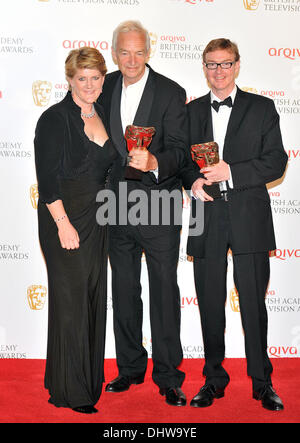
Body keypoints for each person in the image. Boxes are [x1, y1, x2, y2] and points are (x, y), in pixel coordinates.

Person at [181, 38, 287, 411]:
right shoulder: (190, 112)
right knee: (210, 304)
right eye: (211, 64)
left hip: (249, 219)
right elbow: (180, 161)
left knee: (254, 305)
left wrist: (232, 172)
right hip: (205, 217)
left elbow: (276, 161)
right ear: (204, 67)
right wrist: (191, 181)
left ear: (238, 66)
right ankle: (213, 379)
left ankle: (262, 382)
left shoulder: (262, 108)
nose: (218, 71)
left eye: (225, 64)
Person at [98, 20, 189, 406]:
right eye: (124, 52)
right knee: (124, 291)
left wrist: (154, 160)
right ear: (114, 53)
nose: (131, 59)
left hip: (159, 202)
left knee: (164, 292)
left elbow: (183, 151)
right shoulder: (103, 91)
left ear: (148, 52)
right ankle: (130, 368)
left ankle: (168, 375)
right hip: (115, 205)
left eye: (138, 51)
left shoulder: (171, 92)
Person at [34, 47, 118, 414]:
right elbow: (47, 181)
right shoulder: (54, 119)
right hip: (64, 219)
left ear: (103, 79)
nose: (89, 85)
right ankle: (71, 391)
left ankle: (81, 378)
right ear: (69, 79)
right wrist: (63, 224)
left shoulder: (104, 113)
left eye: (95, 78)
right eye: (81, 78)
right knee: (71, 303)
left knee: (92, 298)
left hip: (97, 221)